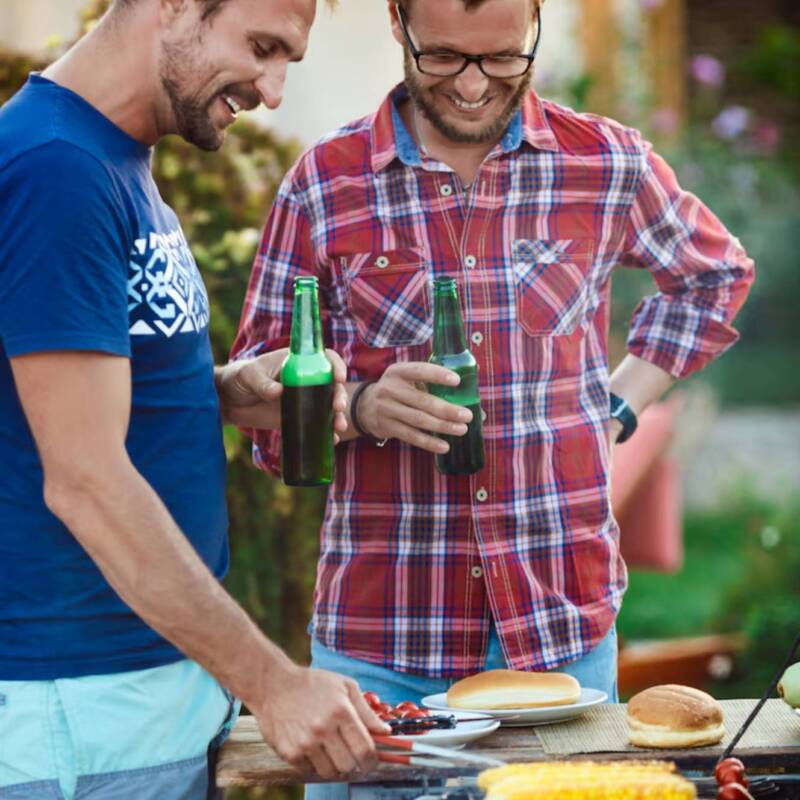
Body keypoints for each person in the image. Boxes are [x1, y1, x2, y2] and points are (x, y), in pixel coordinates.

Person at [231, 0, 754, 788]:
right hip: (383, 645)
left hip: (559, 639)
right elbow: (256, 407)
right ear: (399, 23)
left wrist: (619, 405)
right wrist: (359, 407)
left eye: (504, 58)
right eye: (443, 57)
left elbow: (715, 277)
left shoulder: (606, 162)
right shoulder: (324, 185)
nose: (474, 86)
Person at [0, 0, 390, 797]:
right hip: (82, 712)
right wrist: (273, 683)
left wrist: (226, 391)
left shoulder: (112, 159)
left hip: (138, 700)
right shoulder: (55, 171)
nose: (273, 90)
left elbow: (79, 404)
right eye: (261, 47)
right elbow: (85, 480)